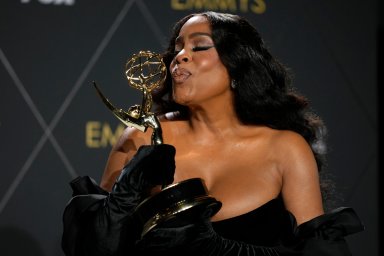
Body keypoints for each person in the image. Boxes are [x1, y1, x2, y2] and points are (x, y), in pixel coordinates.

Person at [62, 11, 364, 256]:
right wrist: (124, 194)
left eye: (199, 46)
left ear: (238, 68)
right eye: (177, 47)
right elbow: (92, 250)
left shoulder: (284, 149)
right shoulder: (140, 137)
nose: (180, 56)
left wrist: (218, 248)